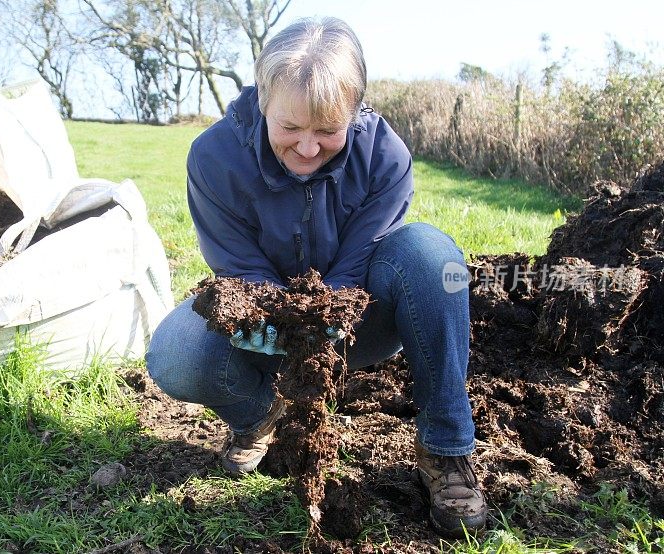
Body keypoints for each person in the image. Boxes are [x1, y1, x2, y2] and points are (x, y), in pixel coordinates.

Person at [145, 17, 487, 538]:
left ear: (355, 111)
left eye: (328, 130)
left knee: (432, 256)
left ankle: (446, 449)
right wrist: (276, 324)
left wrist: (326, 322)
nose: (308, 148)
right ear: (263, 101)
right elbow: (238, 267)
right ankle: (262, 414)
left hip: (360, 321)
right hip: (262, 323)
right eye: (290, 128)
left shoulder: (385, 155)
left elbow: (360, 262)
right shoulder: (214, 158)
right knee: (176, 354)